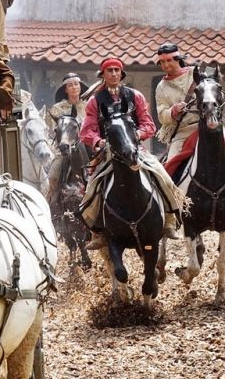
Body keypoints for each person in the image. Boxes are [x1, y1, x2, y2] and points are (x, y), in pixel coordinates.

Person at [78, 57, 183, 250]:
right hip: (108, 152)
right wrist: (98, 141)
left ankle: (169, 219)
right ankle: (98, 231)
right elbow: (86, 131)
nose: (114, 74)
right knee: (91, 187)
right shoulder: (95, 101)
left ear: (122, 74)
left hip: (136, 149)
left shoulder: (135, 96)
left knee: (163, 176)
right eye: (109, 70)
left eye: (117, 70)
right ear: (103, 75)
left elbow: (149, 125)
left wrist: (136, 134)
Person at [45, 73, 90, 205]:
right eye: (70, 85)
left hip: (87, 147)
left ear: (80, 87)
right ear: (65, 89)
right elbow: (55, 131)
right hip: (64, 149)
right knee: (53, 176)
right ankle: (50, 203)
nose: (74, 87)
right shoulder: (57, 109)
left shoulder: (88, 106)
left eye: (76, 84)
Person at [154, 43, 198, 177]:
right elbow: (162, 116)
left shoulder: (196, 73)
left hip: (207, 125)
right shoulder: (161, 87)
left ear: (178, 59)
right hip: (183, 132)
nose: (165, 65)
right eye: (162, 62)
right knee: (169, 171)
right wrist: (173, 110)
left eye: (169, 60)